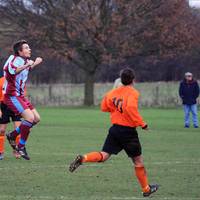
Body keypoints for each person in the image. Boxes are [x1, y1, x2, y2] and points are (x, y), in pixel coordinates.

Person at [69, 68, 159, 197]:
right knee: (138, 162)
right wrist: (142, 124)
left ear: (121, 80)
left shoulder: (112, 93)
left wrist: (116, 109)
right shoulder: (133, 93)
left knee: (104, 155)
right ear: (133, 80)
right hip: (128, 132)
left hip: (115, 129)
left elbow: (104, 107)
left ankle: (84, 158)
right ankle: (146, 189)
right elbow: (130, 108)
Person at [3, 40, 43, 160]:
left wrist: (34, 63)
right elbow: (11, 70)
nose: (29, 49)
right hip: (12, 96)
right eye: (26, 48)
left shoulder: (24, 61)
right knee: (29, 118)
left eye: (29, 47)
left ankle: (13, 134)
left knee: (36, 119)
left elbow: (25, 70)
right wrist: (27, 64)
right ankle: (20, 146)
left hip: (20, 96)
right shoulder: (13, 59)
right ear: (19, 51)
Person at [0, 76, 21, 160]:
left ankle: (16, 150)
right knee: (1, 130)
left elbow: (23, 95)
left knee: (18, 129)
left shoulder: (18, 80)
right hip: (4, 106)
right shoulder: (1, 81)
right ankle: (0, 151)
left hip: (15, 104)